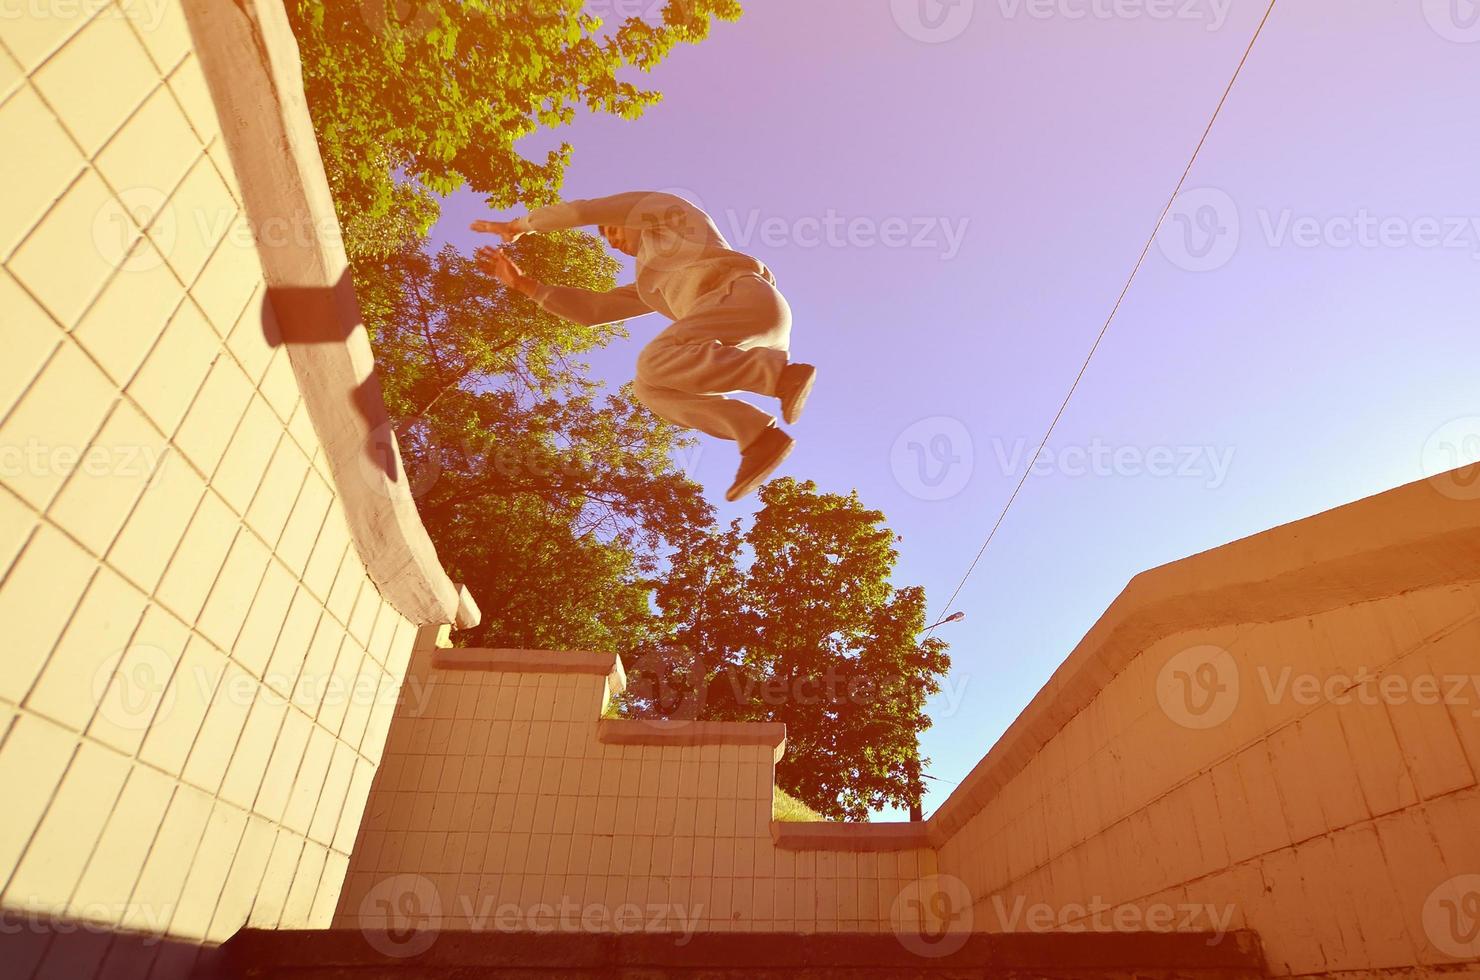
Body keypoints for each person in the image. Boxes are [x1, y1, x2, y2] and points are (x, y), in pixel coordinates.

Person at [470, 190, 816, 502]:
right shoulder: (651, 282)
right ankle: (756, 436)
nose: (611, 242)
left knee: (654, 359)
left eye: (611, 230)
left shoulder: (672, 215)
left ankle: (781, 377)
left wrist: (520, 224)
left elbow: (584, 211)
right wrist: (523, 285)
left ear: (627, 218)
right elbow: (596, 310)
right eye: (606, 239)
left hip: (745, 299)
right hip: (740, 337)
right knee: (649, 386)